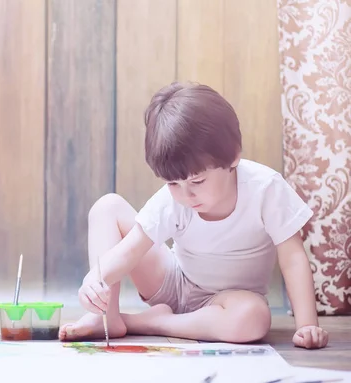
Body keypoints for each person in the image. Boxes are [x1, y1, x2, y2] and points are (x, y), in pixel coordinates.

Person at [59, 82, 329, 349]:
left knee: (254, 318)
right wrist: (96, 279)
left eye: (197, 182)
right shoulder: (172, 199)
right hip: (174, 282)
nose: (185, 195)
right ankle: (104, 317)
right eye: (173, 183)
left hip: (228, 301)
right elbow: (130, 251)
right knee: (107, 207)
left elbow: (293, 258)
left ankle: (149, 323)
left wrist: (307, 325)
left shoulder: (266, 189)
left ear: (233, 156)